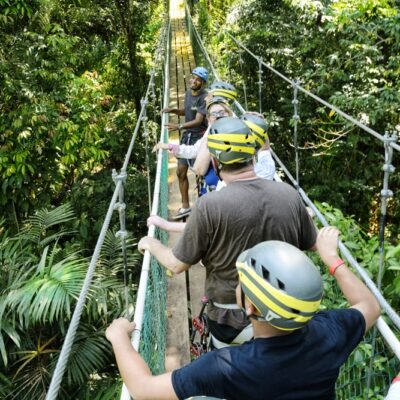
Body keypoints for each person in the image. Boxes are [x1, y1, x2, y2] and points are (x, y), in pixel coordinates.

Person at [106, 226, 381, 400]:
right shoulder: (330, 333)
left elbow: (142, 389)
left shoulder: (227, 367)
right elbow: (370, 306)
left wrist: (118, 335)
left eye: (241, 282)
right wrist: (332, 259)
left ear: (249, 307)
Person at [139, 116, 317, 346]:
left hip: (230, 320)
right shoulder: (289, 195)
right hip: (284, 317)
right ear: (254, 155)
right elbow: (311, 243)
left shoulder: (209, 205)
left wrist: (150, 243)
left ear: (214, 161)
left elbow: (177, 264)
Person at [161, 66, 209, 219]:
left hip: (199, 138)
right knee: (181, 172)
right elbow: (187, 111)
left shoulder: (205, 97)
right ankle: (185, 206)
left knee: (199, 172)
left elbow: (198, 120)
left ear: (203, 83)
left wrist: (179, 126)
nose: (193, 81)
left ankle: (203, 206)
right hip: (187, 137)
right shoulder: (189, 93)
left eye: (198, 80)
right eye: (193, 77)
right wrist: (173, 111)